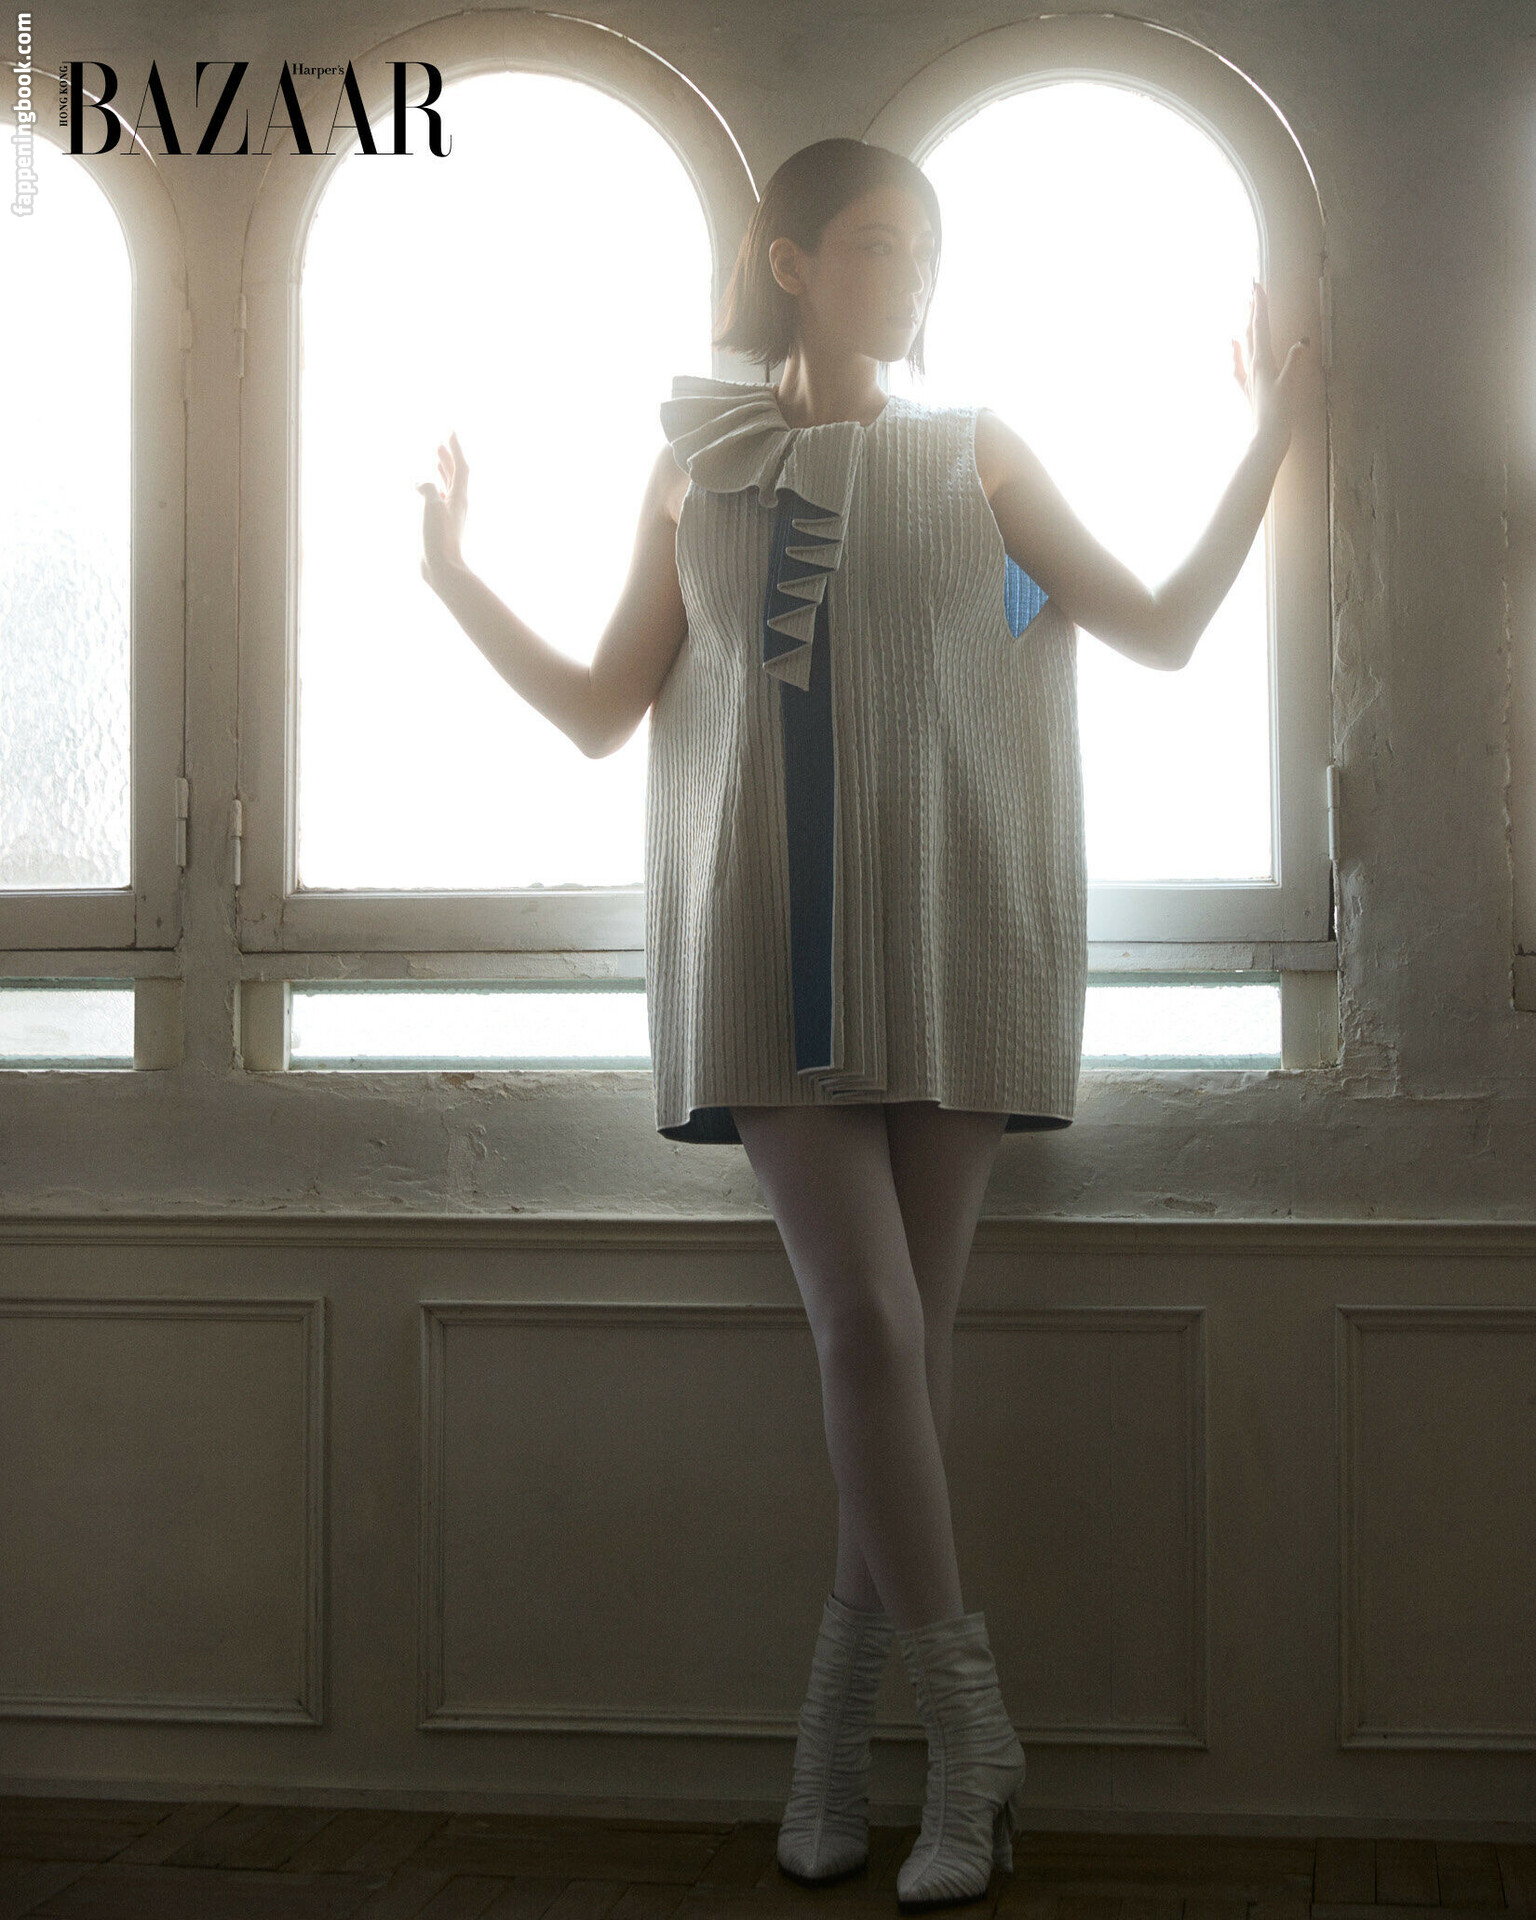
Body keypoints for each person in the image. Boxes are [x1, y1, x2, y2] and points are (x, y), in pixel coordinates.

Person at [418, 137, 1310, 1911]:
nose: (913, 275)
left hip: (956, 927)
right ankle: (973, 1739)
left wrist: (1271, 427)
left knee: (900, 1356)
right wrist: (451, 574)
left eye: (927, 249)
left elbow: (1163, 627)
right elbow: (604, 708)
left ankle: (835, 1744)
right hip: (767, 945)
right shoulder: (695, 466)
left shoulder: (976, 445)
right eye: (883, 244)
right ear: (791, 260)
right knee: (872, 1330)